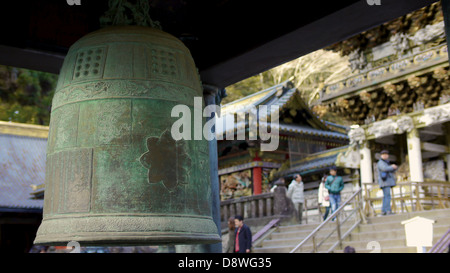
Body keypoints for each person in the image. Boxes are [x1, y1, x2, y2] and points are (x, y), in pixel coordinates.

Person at [377, 150, 397, 215]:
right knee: (387, 196)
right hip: (385, 182)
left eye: (386, 154)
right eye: (384, 154)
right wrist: (392, 167)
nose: (385, 156)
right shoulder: (381, 162)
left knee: (386, 196)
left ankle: (384, 210)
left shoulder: (385, 162)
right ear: (381, 155)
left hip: (386, 182)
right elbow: (384, 168)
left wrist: (393, 168)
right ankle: (387, 210)